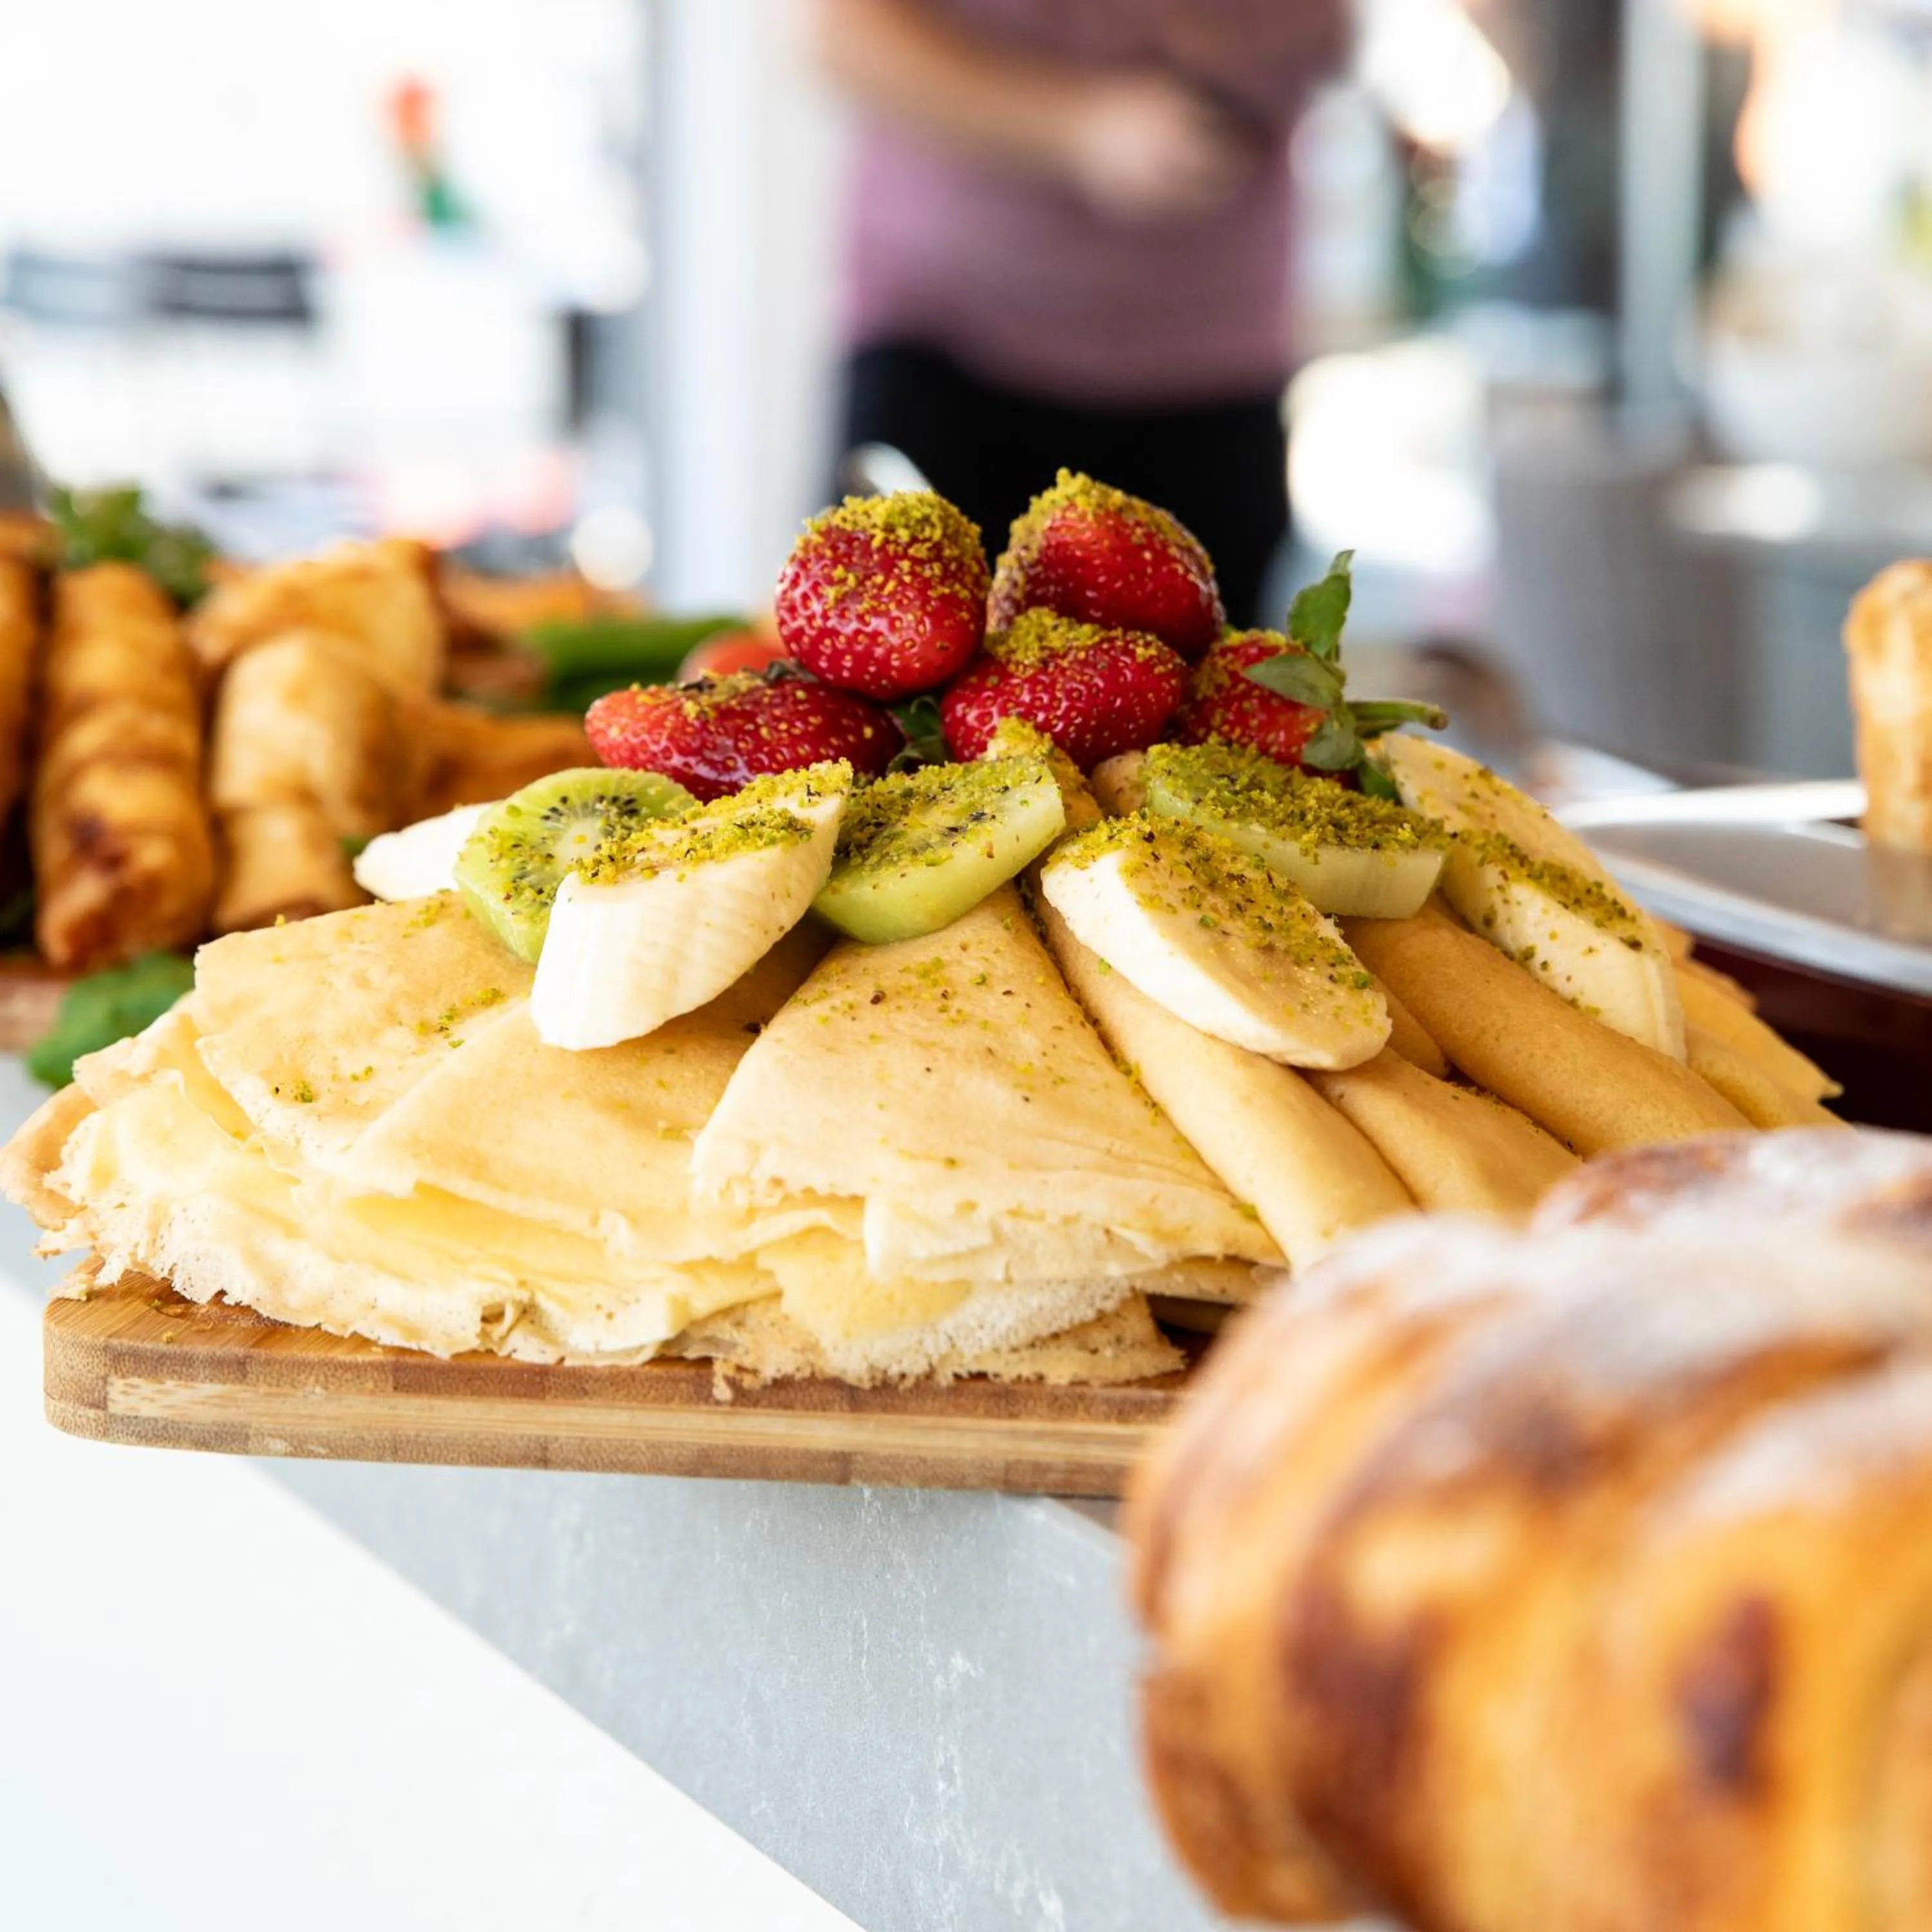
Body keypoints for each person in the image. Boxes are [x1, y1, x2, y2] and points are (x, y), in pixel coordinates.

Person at [810, 0, 1349, 626]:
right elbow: (843, 34)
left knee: (1208, 697)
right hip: (952, 350)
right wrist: (1079, 125)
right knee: (897, 684)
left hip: (1213, 371)